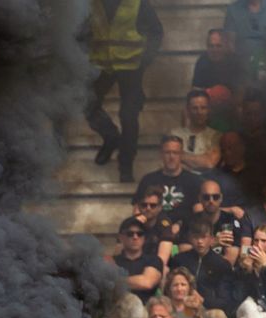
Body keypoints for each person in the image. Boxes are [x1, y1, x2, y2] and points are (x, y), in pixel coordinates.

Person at [86, 0, 165, 183]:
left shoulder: (137, 4)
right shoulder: (92, 4)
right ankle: (111, 136)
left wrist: (145, 60)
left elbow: (156, 32)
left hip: (131, 66)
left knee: (129, 116)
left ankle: (126, 165)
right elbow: (81, 33)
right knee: (85, 103)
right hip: (102, 66)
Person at [135, 136, 206, 217]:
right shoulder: (148, 180)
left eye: (175, 153)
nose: (171, 157)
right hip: (154, 228)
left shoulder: (195, 181)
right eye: (167, 152)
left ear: (182, 155)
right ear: (161, 154)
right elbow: (137, 211)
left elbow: (199, 215)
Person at [108, 217, 164, 295]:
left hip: (146, 306)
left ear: (144, 238)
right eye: (130, 234)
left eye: (140, 234)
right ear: (121, 237)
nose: (135, 237)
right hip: (117, 305)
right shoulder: (112, 262)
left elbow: (147, 283)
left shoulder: (154, 260)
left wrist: (115, 282)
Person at [171, 91, 222, 171]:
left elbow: (209, 163)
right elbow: (171, 162)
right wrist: (202, 158)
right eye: (195, 108)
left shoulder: (216, 136)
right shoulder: (175, 135)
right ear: (188, 110)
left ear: (209, 110)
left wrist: (180, 155)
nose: (199, 112)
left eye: (203, 108)